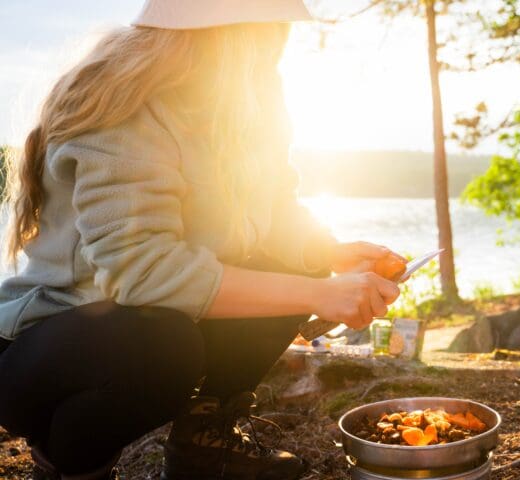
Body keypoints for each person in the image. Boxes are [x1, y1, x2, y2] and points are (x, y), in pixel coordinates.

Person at [0, 1, 403, 479]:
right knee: (160, 346)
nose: (278, 44)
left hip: (140, 321)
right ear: (224, 32)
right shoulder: (124, 104)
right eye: (270, 28)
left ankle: (205, 439)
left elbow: (273, 208)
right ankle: (70, 461)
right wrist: (321, 295)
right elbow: (144, 273)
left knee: (296, 266)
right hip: (49, 346)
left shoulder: (250, 91)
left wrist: (327, 254)